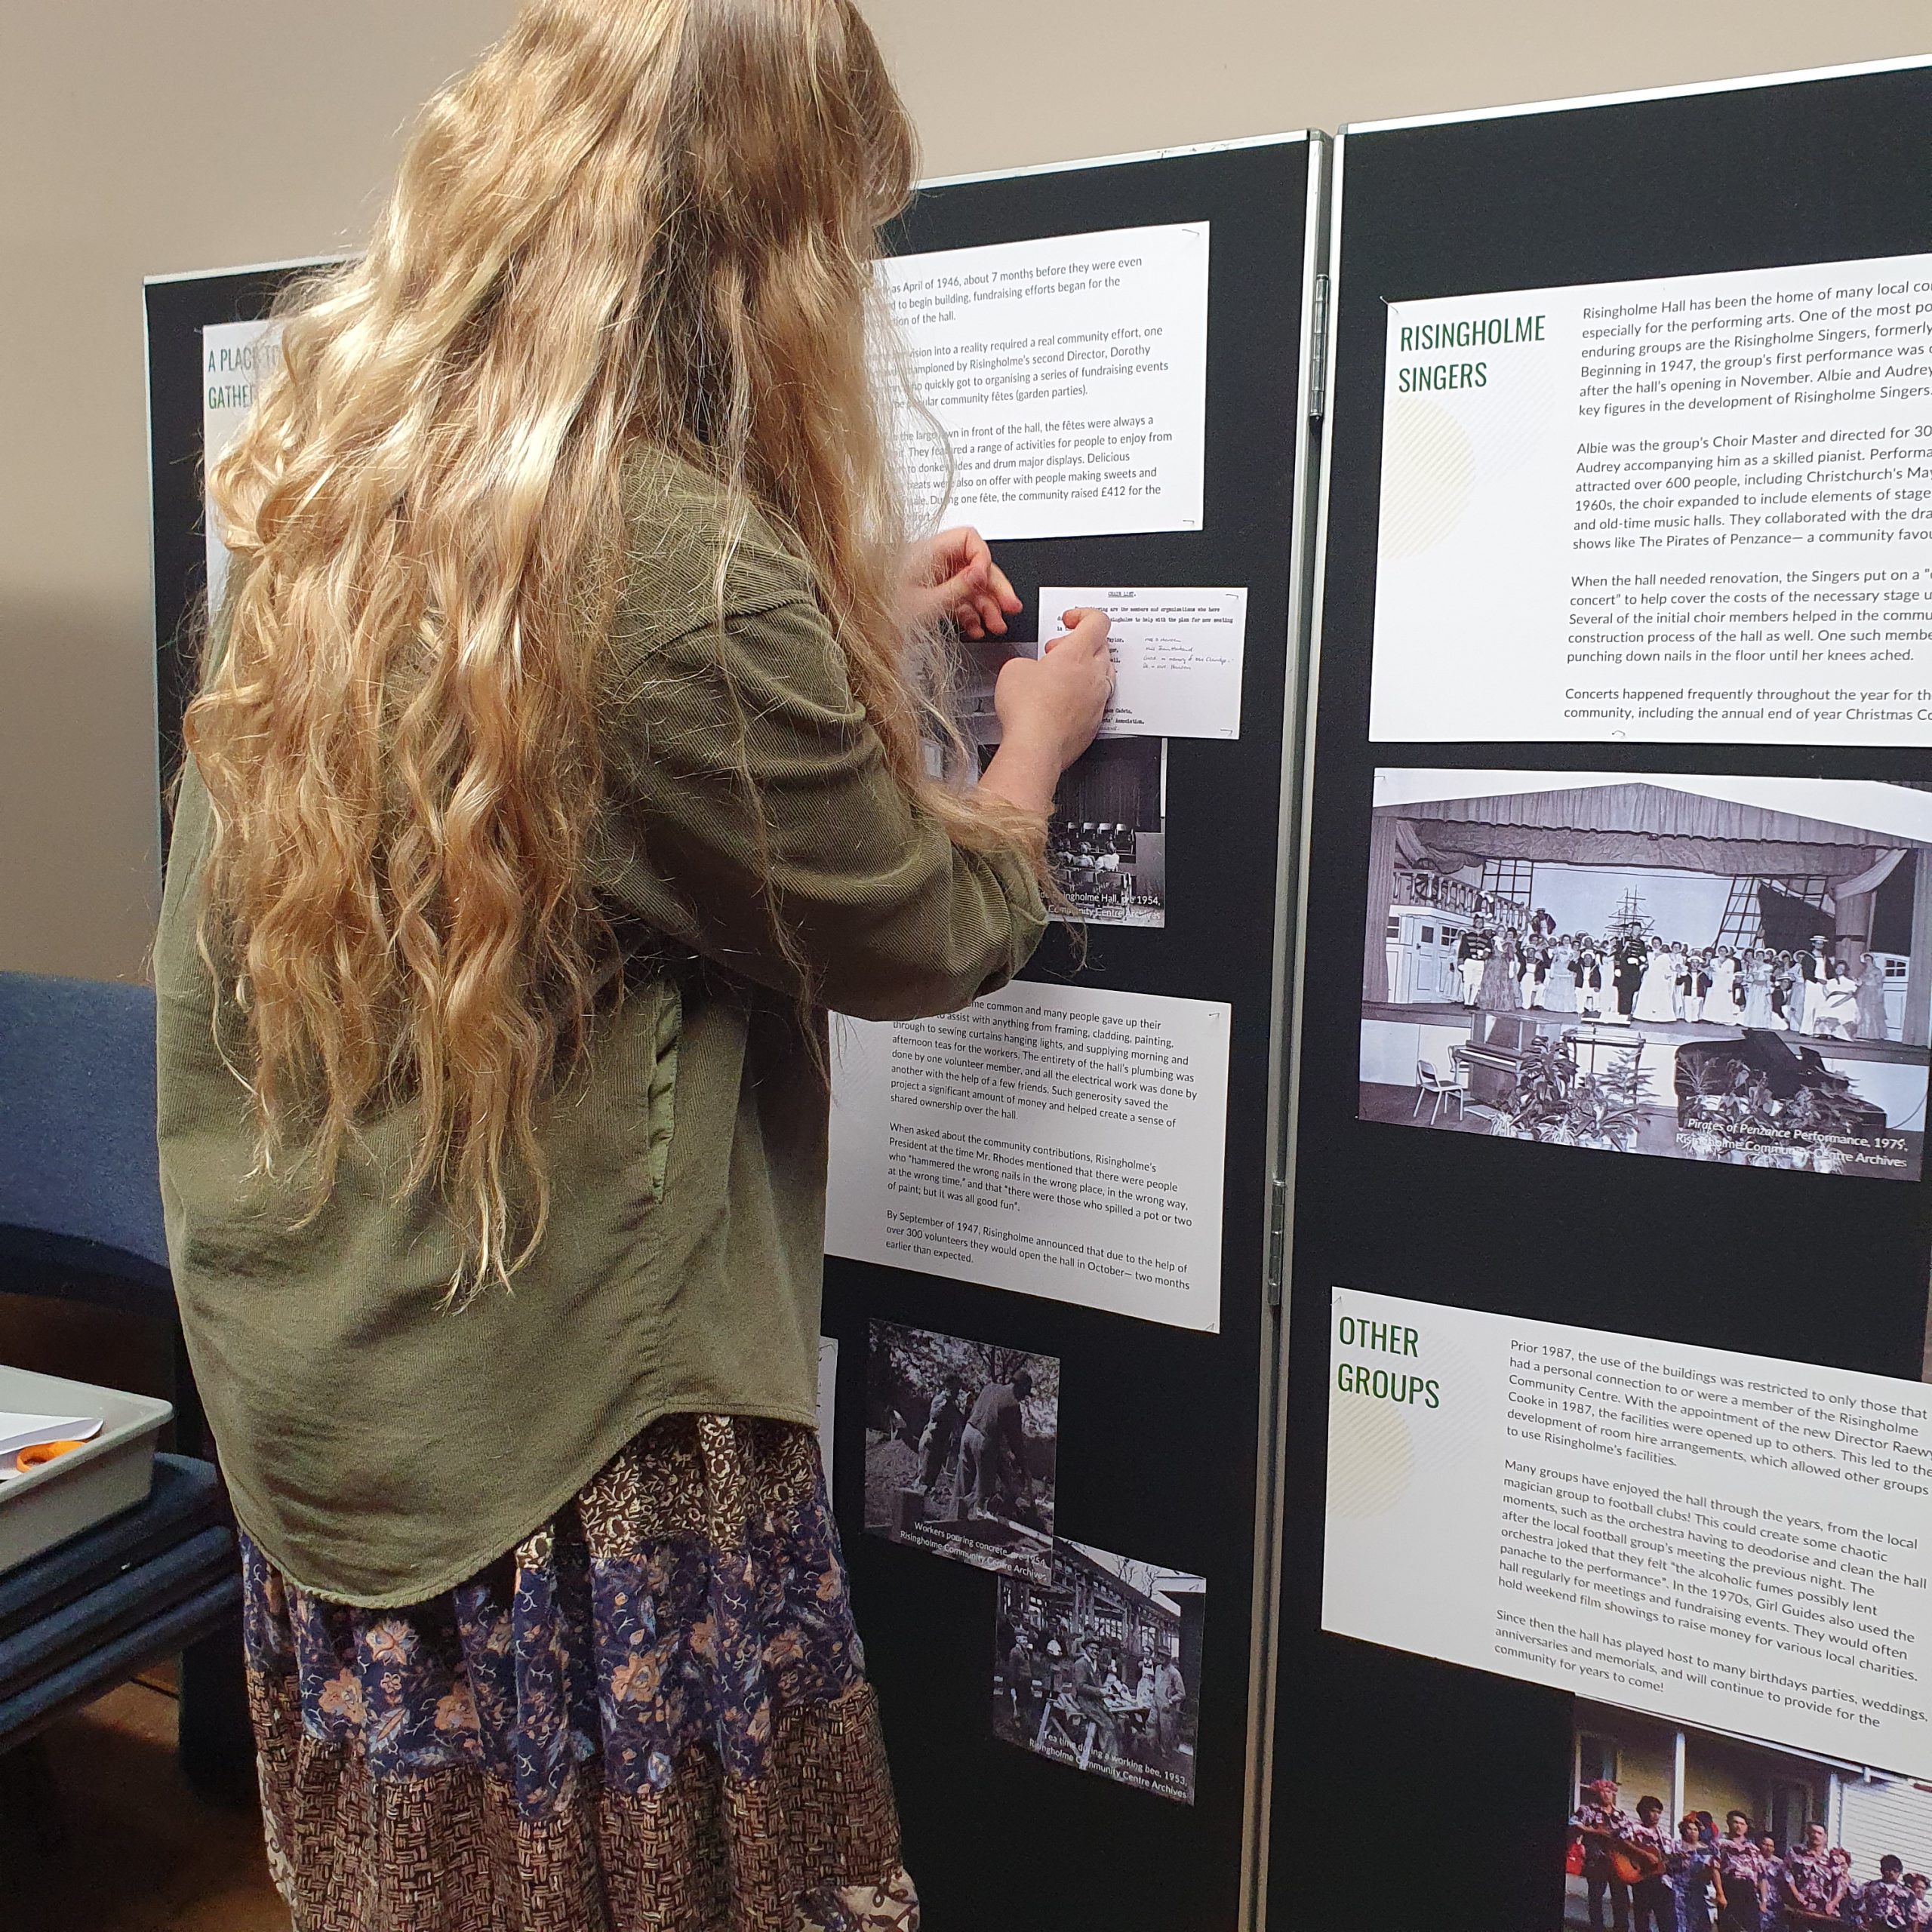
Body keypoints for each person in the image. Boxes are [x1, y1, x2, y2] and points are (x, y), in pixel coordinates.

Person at [151, 5, 1117, 1924]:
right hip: (558, 1435)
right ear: (763, 247)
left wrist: (828, 628)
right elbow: (917, 924)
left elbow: (572, 744)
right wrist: (1028, 753)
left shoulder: (335, 483)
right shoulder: (675, 570)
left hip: (340, 1389)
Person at [959, 1368, 1037, 1521]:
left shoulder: (990, 1387)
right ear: (1020, 1386)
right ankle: (976, 1522)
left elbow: (975, 1411)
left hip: (967, 1433)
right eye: (1025, 1393)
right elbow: (1015, 1442)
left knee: (963, 1482)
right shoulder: (1013, 1404)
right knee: (984, 1492)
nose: (1023, 1398)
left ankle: (956, 1518)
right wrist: (1023, 1467)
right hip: (984, 1440)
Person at [1574, 1779, 1638, 1932]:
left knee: (1621, 1896)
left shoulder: (1619, 1814)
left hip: (1617, 1860)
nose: (1606, 1795)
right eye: (1602, 1792)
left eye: (1609, 1792)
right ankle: (1597, 1927)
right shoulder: (1588, 1810)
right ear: (1596, 1794)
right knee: (1596, 1895)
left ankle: (1621, 1928)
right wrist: (1596, 1831)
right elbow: (1574, 1823)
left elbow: (1629, 1833)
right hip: (1597, 1859)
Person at [1623, 1795, 1675, 1932]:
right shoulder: (1634, 1829)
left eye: (1659, 1812)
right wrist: (1645, 1854)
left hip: (1663, 1882)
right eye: (1653, 1811)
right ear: (1643, 1812)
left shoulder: (1665, 1836)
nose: (1656, 1815)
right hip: (1642, 1879)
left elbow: (1670, 1857)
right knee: (1642, 1919)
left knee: (1666, 1921)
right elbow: (1620, 1842)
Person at [1667, 1813, 1724, 1932]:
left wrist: (1720, 1893)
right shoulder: (1674, 1846)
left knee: (1700, 1924)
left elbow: (1714, 1870)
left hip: (1698, 1891)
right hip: (1677, 1892)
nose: (1692, 1832)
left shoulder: (1706, 1850)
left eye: (1695, 1829)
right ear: (1683, 1830)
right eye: (1689, 1829)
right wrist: (1673, 1858)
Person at [913, 1374, 966, 1497]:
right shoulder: (939, 1399)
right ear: (948, 1387)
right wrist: (945, 1403)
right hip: (931, 1442)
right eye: (955, 1389)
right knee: (924, 1476)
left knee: (932, 1478)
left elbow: (959, 1422)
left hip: (940, 1445)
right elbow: (935, 1414)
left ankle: (921, 1503)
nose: (957, 1392)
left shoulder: (953, 1405)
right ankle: (913, 1501)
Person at [1712, 1812, 1764, 1932]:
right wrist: (1720, 1894)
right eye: (1735, 1822)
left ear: (1746, 1827)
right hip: (1730, 1887)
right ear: (1729, 1823)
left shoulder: (1753, 1849)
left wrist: (1763, 1901)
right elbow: (1715, 1869)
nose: (1739, 1826)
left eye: (1742, 1824)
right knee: (1731, 1926)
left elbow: (1762, 1876)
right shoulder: (1720, 1844)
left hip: (1749, 1890)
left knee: (1751, 1927)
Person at [1857, 1855, 1914, 1930]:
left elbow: (1911, 1915)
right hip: (1875, 1926)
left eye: (1895, 1870)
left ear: (1900, 1872)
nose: (1891, 1873)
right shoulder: (1869, 1887)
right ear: (1882, 1870)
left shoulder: (1907, 1893)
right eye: (1888, 1869)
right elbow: (1860, 1906)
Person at [1635, 937, 1680, 1023]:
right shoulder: (1649, 954)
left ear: (1660, 944)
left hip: (1660, 978)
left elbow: (1668, 968)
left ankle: (1661, 1017)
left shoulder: (1665, 956)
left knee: (1660, 996)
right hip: (1650, 977)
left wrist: (1668, 975)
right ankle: (1645, 1015)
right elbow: (1646, 965)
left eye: (1657, 943)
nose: (1656, 945)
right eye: (1654, 943)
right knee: (1647, 995)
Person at [1820, 961, 1862, 1040]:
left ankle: (1841, 1035)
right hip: (1832, 1000)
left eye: (1842, 969)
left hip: (1845, 1000)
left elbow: (1850, 995)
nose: (1839, 970)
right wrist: (1830, 1001)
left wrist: (1839, 1003)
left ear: (1845, 970)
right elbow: (1826, 993)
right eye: (1838, 968)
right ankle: (1827, 1033)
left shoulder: (1849, 982)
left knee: (1843, 1010)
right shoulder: (1830, 982)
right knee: (1824, 1010)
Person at [1458, 925, 1494, 1007]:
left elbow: (1489, 950)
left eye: (1481, 922)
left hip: (1480, 962)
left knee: (1476, 983)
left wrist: (1485, 954)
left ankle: (1472, 1002)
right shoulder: (1467, 936)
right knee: (1467, 982)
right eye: (1477, 921)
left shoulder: (1486, 938)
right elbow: (1462, 949)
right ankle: (1466, 1002)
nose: (1479, 923)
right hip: (1469, 961)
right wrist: (1461, 962)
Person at [1858, 952, 1890, 1041]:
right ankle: (1863, 1033)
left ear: (1872, 961)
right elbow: (1860, 982)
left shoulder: (1877, 970)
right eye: (1866, 960)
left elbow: (1879, 983)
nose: (1868, 961)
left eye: (1869, 960)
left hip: (1872, 992)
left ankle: (1874, 1034)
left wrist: (1879, 994)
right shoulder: (1863, 971)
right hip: (1864, 992)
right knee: (1863, 1011)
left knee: (1872, 1012)